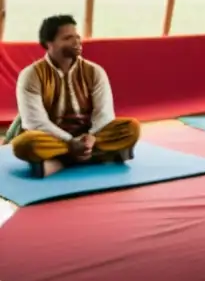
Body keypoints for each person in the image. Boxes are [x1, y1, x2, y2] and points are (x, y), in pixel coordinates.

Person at [3, 15, 141, 179]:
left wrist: (90, 137)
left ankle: (59, 162)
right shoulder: (31, 75)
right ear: (49, 43)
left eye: (77, 37)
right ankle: (101, 156)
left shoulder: (94, 71)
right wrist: (70, 141)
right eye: (68, 38)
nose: (76, 42)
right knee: (24, 144)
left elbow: (104, 113)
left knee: (131, 128)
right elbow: (35, 121)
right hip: (52, 137)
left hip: (89, 136)